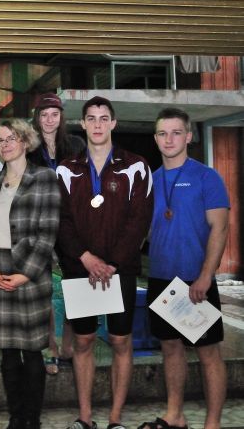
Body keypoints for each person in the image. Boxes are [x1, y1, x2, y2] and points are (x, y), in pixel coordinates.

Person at [56, 96, 153, 429]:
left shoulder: (136, 166)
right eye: (91, 119)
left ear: (113, 123)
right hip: (79, 268)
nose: (97, 125)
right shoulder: (66, 169)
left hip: (119, 270)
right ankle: (84, 417)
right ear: (82, 124)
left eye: (103, 118)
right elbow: (61, 221)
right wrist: (85, 258)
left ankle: (114, 418)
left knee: (120, 340)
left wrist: (110, 263)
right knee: (82, 341)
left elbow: (139, 221)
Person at [138, 108, 228, 429]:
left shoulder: (207, 176)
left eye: (176, 132)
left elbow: (220, 229)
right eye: (163, 133)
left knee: (208, 353)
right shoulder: (150, 180)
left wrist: (206, 275)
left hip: (196, 281)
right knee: (171, 349)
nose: (169, 139)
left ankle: (213, 423)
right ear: (156, 139)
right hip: (162, 279)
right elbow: (143, 231)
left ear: (188, 136)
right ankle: (175, 415)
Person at [0, 118, 60, 429]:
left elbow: (48, 232)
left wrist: (26, 273)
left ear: (25, 141)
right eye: (1, 140)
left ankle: (32, 419)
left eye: (12, 138)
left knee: (33, 353)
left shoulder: (45, 178)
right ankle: (16, 417)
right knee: (7, 355)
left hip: (31, 276)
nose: (6, 144)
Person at [28, 92, 85, 376]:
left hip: (71, 223)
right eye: (44, 115)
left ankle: (68, 345)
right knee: (43, 289)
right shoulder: (28, 149)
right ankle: (49, 345)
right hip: (39, 224)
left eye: (54, 114)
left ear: (61, 117)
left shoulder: (75, 145)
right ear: (36, 118)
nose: (49, 120)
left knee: (74, 284)